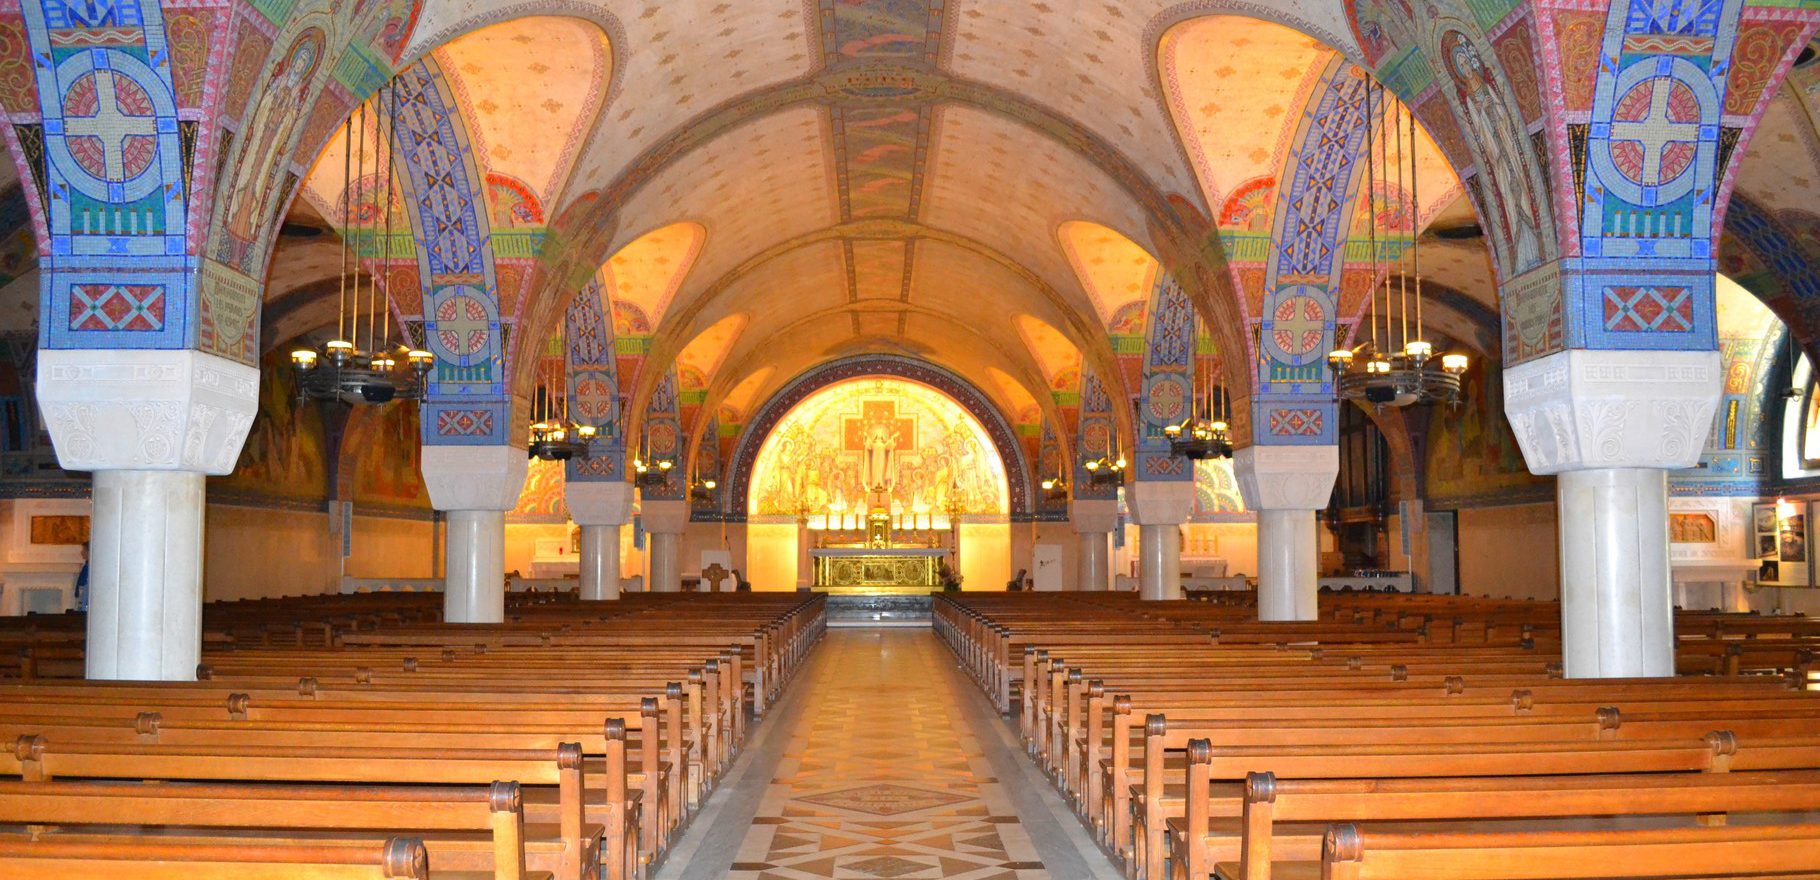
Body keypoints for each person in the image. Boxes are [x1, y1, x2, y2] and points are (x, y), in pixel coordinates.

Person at [74, 545, 90, 613]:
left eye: (84, 550)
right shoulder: (86, 566)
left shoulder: (89, 568)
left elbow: (84, 585)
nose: (81, 552)